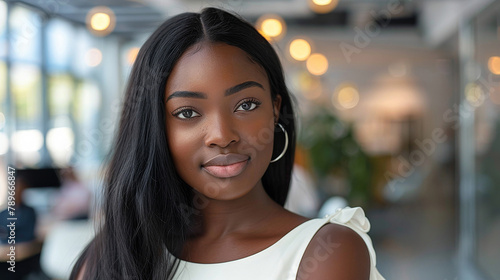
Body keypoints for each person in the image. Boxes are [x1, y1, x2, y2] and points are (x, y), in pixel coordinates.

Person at [71, 7, 384, 280]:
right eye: (188, 112)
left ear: (275, 109)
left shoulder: (326, 252)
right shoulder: (110, 257)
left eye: (246, 104)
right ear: (156, 127)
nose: (222, 135)